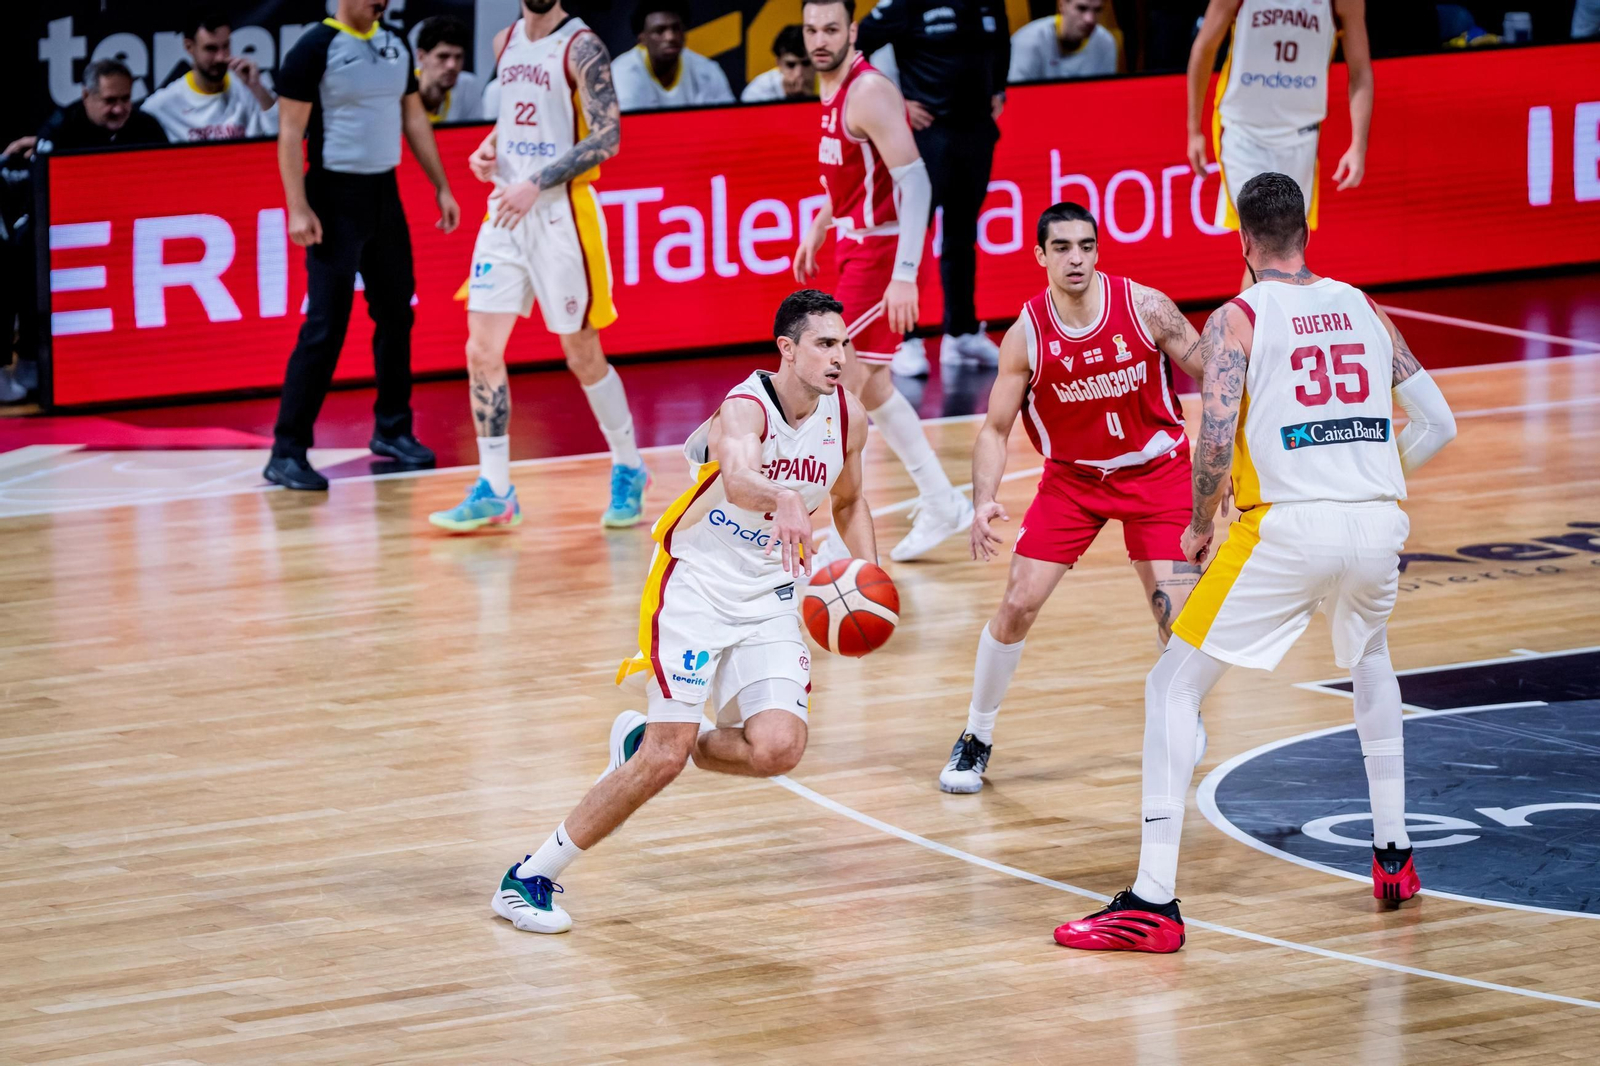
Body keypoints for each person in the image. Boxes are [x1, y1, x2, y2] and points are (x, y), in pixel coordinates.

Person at [1054, 172, 1458, 953]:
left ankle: (1153, 901)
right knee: (1371, 659)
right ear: (1306, 232)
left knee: (1172, 684)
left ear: (1243, 241)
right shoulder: (1365, 308)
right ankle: (1395, 856)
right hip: (1379, 525)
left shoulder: (1237, 318)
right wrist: (1366, 476)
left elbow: (1214, 436)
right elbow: (1438, 423)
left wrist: (1199, 523)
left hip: (1287, 529)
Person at [491, 289, 876, 933]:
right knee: (663, 761)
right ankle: (528, 877)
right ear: (787, 349)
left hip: (771, 593)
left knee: (778, 748)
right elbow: (739, 480)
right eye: (824, 344)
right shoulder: (745, 408)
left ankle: (649, 737)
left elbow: (850, 499)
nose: (839, 356)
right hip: (695, 586)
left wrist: (868, 575)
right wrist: (783, 497)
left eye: (844, 344)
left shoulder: (849, 416)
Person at [938, 202, 1207, 793]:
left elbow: (1217, 376)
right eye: (1061, 247)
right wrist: (982, 500)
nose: (1076, 258)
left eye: (1086, 245)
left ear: (1098, 251)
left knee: (1177, 616)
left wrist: (1225, 465)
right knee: (1018, 603)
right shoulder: (1026, 335)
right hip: (1074, 482)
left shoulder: (1146, 307)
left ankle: (1185, 711)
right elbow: (994, 430)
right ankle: (976, 735)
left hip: (1158, 473)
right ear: (1040, 255)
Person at [430, 0, 649, 532]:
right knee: (480, 349)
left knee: (581, 352)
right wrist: (489, 147)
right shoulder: (504, 42)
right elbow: (518, 117)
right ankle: (496, 489)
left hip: (561, 214)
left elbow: (607, 137)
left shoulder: (582, 45)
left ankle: (629, 465)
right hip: (506, 210)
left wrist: (537, 180)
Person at [796, 0, 973, 563]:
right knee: (870, 388)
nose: (820, 40)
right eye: (811, 29)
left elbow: (916, 183)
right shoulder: (830, 85)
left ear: (852, 30)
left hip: (881, 252)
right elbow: (854, 175)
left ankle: (833, 540)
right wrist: (821, 223)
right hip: (855, 243)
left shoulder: (868, 90)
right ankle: (942, 502)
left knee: (833, 392)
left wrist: (904, 275)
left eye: (831, 29)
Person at [264, 0, 461, 491]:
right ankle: (287, 451)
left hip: (383, 194)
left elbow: (413, 118)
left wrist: (441, 185)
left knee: (397, 315)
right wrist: (297, 206)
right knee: (325, 326)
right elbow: (289, 132)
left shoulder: (394, 44)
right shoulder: (314, 48)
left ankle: (392, 429)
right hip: (333, 198)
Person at [855, 0, 1010, 374]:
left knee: (962, 235)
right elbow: (856, 44)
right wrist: (894, 104)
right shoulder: (906, 4)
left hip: (976, 133)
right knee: (911, 237)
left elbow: (1002, 43)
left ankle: (961, 334)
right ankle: (903, 339)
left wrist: (998, 88)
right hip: (925, 136)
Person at [1187, 0, 1373, 292]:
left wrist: (1358, 144)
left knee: (1283, 253)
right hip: (1243, 130)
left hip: (1301, 136)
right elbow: (1204, 47)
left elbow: (1360, 70)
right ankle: (1251, 321)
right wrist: (1194, 130)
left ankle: (1253, 318)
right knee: (1266, 246)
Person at [141, 10, 278, 142]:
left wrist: (257, 89)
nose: (220, 57)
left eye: (225, 46)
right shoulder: (163, 104)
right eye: (210, 49)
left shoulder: (252, 88)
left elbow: (282, 136)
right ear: (189, 47)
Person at [612, 0, 736, 111]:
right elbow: (626, 127)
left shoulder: (708, 70)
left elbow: (727, 120)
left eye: (676, 28)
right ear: (642, 39)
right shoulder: (622, 73)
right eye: (659, 31)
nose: (670, 37)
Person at [35, 59, 169, 153]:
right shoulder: (60, 129)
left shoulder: (147, 127)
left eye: (125, 99)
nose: (118, 109)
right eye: (110, 101)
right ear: (86, 95)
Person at [1008, 0, 1119, 82]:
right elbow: (1015, 98)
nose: (1090, 19)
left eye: (1097, 10)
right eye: (1081, 8)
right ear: (1062, 5)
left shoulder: (1106, 43)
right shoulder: (1027, 42)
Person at [412, 16, 480, 124]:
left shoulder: (468, 86)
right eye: (443, 56)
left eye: (458, 57)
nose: (452, 65)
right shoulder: (399, 91)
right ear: (421, 57)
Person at [741, 25, 816, 102]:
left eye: (806, 63)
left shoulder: (824, 79)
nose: (798, 73)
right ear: (779, 64)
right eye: (790, 65)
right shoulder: (757, 93)